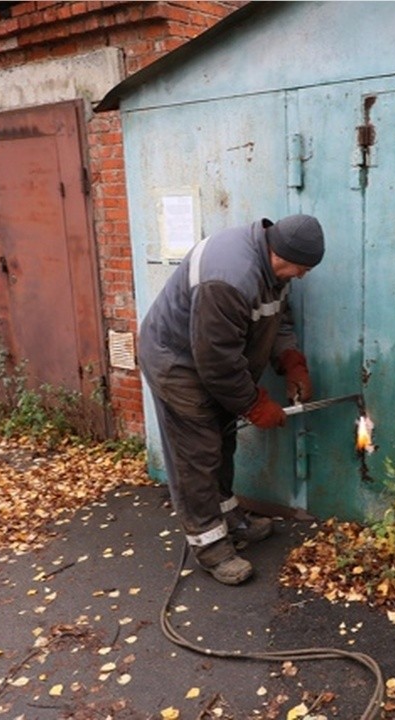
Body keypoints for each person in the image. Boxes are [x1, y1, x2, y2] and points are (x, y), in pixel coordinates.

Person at [137, 214, 325, 585]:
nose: (301, 276)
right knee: (198, 453)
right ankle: (210, 546)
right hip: (177, 363)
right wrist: (255, 405)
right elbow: (216, 361)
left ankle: (229, 519)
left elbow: (277, 320)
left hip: (210, 362)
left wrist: (291, 362)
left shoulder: (274, 269)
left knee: (222, 440)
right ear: (279, 253)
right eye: (300, 269)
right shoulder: (228, 278)